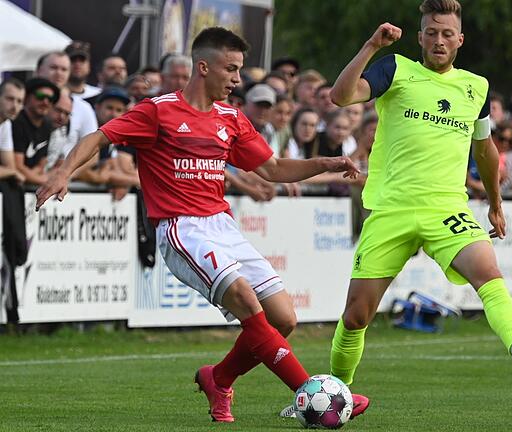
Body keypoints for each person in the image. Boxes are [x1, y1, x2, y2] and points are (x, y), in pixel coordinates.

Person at [35, 27, 367, 424]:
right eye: (231, 69)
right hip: (181, 229)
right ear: (203, 67)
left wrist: (324, 164)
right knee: (246, 301)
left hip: (221, 225)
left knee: (283, 319)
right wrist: (63, 172)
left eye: (240, 70)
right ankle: (314, 395)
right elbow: (98, 137)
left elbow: (273, 168)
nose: (237, 79)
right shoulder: (159, 111)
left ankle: (219, 378)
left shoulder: (231, 117)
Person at [305, 0, 512, 411]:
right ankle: (336, 394)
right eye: (431, 32)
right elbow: (341, 97)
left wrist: (495, 203)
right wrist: (372, 45)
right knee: (356, 316)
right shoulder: (396, 69)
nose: (439, 40)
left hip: (447, 207)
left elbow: (486, 150)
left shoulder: (475, 87)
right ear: (420, 36)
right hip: (391, 209)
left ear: (460, 39)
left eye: (447, 33)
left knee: (488, 272)